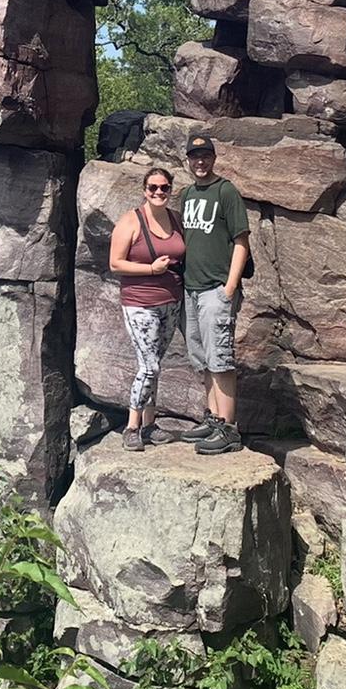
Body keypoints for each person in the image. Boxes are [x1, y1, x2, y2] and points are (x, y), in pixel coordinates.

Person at [178, 133, 249, 455]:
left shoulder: (226, 191)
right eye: (195, 156)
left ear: (214, 158)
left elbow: (241, 242)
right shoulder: (188, 193)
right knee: (203, 358)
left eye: (206, 155)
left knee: (220, 358)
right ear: (188, 160)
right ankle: (213, 418)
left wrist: (229, 288)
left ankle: (229, 428)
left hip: (215, 289)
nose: (200, 161)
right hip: (191, 289)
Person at [107, 167, 187, 452]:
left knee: (156, 366)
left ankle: (150, 425)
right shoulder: (130, 221)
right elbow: (115, 263)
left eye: (164, 188)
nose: (158, 192)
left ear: (170, 190)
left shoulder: (175, 219)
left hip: (171, 301)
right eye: (153, 187)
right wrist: (151, 270)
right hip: (140, 302)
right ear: (144, 190)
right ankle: (132, 426)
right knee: (149, 366)